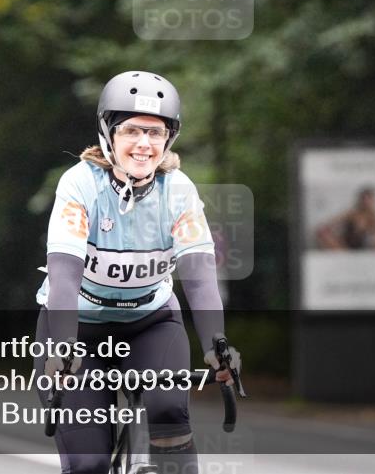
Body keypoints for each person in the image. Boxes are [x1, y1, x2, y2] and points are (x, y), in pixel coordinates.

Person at [34, 71, 241, 474]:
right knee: (88, 462)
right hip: (80, 330)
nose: (144, 144)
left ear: (169, 140)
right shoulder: (80, 185)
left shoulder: (178, 190)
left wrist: (217, 344)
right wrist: (62, 346)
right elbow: (63, 276)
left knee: (167, 410)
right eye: (131, 130)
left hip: (150, 323)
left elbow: (199, 278)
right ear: (108, 134)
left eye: (155, 132)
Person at [315, 186, 375, 251]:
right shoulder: (352, 213)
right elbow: (333, 221)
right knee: (322, 232)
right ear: (360, 200)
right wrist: (330, 230)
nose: (366, 202)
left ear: (373, 201)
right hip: (344, 246)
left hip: (361, 248)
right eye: (364, 199)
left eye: (369, 199)